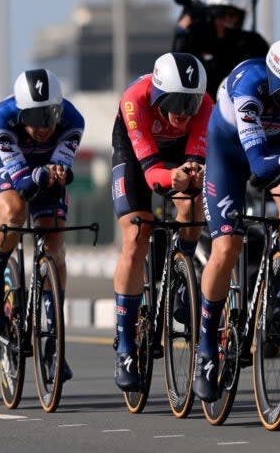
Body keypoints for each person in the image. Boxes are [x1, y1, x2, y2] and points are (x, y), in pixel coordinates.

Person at [193, 37, 280, 401]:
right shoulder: (249, 87)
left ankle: (279, 281)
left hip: (271, 145)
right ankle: (206, 347)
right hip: (229, 152)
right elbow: (257, 167)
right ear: (278, 84)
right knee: (226, 247)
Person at [110, 52, 213, 391]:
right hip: (138, 156)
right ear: (157, 96)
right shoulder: (134, 101)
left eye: (190, 104)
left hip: (178, 154)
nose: (183, 113)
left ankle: (180, 272)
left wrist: (191, 173)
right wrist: (173, 177)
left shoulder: (206, 105)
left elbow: (196, 163)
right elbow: (153, 175)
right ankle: (125, 345)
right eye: (175, 102)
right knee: (137, 234)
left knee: (194, 205)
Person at [0, 68, 85, 383]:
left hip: (43, 166)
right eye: (34, 117)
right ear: (21, 113)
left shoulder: (73, 120)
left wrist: (58, 172)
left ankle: (55, 341)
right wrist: (43, 174)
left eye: (49, 115)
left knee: (54, 241)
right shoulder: (2, 120)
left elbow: (59, 171)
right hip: (0, 158)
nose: (43, 126)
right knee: (13, 211)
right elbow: (23, 184)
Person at [173, 0, 269, 100]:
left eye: (232, 15)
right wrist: (182, 34)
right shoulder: (197, 40)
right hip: (201, 105)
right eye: (220, 14)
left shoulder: (252, 42)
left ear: (241, 17)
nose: (226, 20)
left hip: (238, 103)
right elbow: (178, 67)